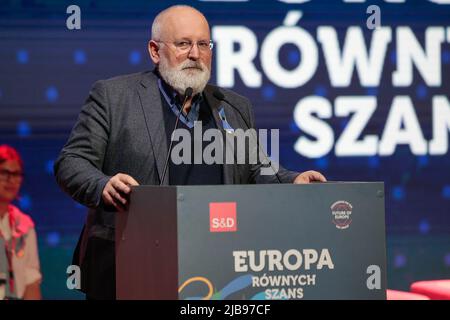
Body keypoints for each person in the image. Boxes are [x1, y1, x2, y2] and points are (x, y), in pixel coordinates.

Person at [54, 5, 326, 300]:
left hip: (214, 270)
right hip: (129, 265)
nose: (195, 54)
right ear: (155, 51)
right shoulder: (114, 97)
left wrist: (292, 181)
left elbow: (256, 169)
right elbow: (71, 162)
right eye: (183, 44)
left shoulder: (233, 106)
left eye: (203, 44)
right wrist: (103, 185)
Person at [0, 145, 42, 300]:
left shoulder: (24, 225)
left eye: (17, 174)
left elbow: (31, 280)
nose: (11, 180)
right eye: (5, 173)